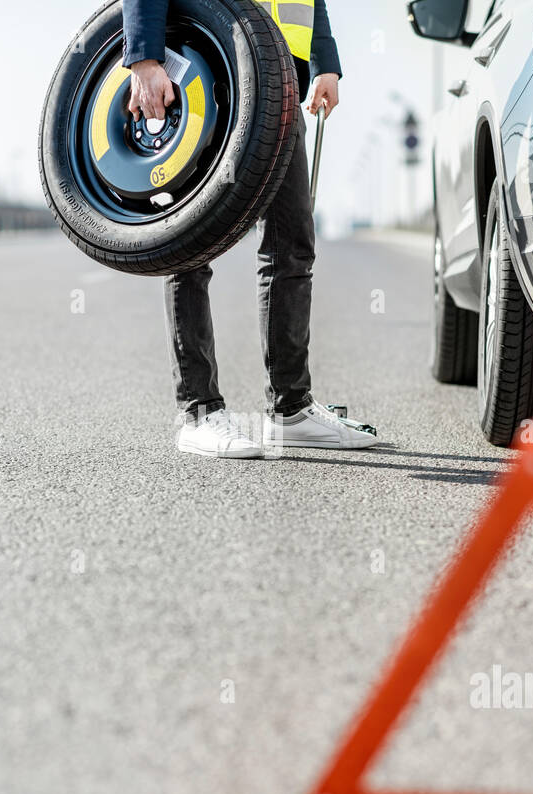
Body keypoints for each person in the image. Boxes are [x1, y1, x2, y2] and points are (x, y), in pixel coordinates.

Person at [122, 0, 377, 458]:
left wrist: (324, 62)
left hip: (277, 87)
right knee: (191, 243)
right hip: (206, 69)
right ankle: (198, 410)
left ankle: (290, 409)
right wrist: (144, 56)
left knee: (292, 246)